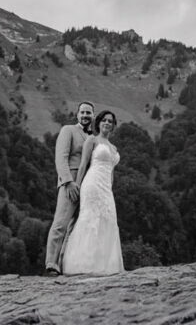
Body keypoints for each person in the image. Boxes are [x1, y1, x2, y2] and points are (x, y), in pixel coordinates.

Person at [60, 110, 124, 276]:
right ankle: (83, 265)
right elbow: (82, 165)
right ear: (99, 122)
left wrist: (110, 188)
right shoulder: (92, 140)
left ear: (113, 125)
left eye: (110, 121)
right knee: (90, 219)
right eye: (104, 120)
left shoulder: (113, 147)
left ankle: (104, 265)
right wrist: (77, 186)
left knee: (108, 220)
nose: (107, 123)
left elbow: (111, 171)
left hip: (106, 188)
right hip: (92, 184)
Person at [44, 101, 94, 275]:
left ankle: (64, 265)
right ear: (77, 114)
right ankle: (50, 264)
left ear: (93, 116)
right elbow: (60, 158)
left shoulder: (92, 137)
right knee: (61, 223)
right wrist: (68, 182)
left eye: (89, 113)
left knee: (75, 227)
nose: (86, 115)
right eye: (83, 112)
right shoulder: (68, 130)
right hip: (70, 182)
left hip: (88, 184)